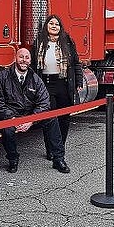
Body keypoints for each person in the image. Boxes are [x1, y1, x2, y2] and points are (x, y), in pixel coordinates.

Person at [0, 48, 70, 174]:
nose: (24, 60)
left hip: (31, 116)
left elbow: (44, 103)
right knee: (7, 129)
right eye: (21, 57)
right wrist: (12, 119)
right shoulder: (2, 77)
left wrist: (31, 120)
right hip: (11, 116)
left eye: (27, 57)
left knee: (52, 119)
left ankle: (58, 159)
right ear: (15, 58)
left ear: (30, 60)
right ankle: (13, 159)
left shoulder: (36, 79)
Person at [31, 14, 83, 154]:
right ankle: (50, 149)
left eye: (57, 24)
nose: (54, 26)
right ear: (46, 26)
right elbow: (33, 66)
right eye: (51, 23)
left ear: (60, 27)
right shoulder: (38, 43)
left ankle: (60, 148)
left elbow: (75, 63)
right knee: (49, 119)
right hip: (46, 85)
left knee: (64, 119)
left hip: (63, 84)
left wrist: (79, 81)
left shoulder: (67, 42)